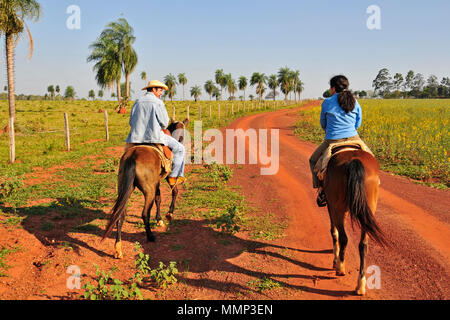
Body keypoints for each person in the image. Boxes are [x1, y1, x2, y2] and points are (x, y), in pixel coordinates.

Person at [309, 75, 372, 207]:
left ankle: (320, 190)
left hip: (332, 140)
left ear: (332, 88)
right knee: (372, 160)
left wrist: (331, 130)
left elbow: (323, 124)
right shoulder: (355, 101)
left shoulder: (327, 102)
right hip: (354, 138)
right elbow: (357, 123)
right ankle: (374, 183)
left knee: (313, 160)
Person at [125, 80, 186, 187]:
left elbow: (131, 121)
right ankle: (174, 176)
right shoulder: (158, 102)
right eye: (160, 90)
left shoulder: (137, 101)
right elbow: (164, 123)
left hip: (135, 138)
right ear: (153, 89)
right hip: (155, 137)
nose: (161, 93)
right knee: (180, 148)